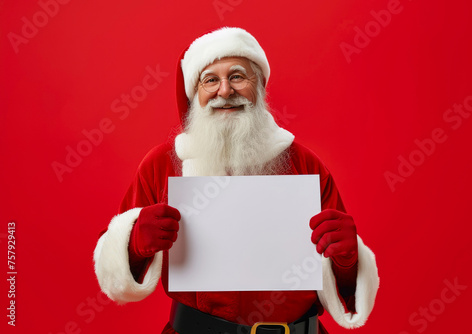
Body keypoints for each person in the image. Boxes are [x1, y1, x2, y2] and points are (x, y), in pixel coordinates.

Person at [93, 27, 379, 334]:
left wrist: (348, 260)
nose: (225, 91)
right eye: (211, 80)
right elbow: (113, 275)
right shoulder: (162, 163)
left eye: (238, 76)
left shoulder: (305, 164)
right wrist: (133, 244)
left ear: (259, 86)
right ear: (195, 93)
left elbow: (343, 288)